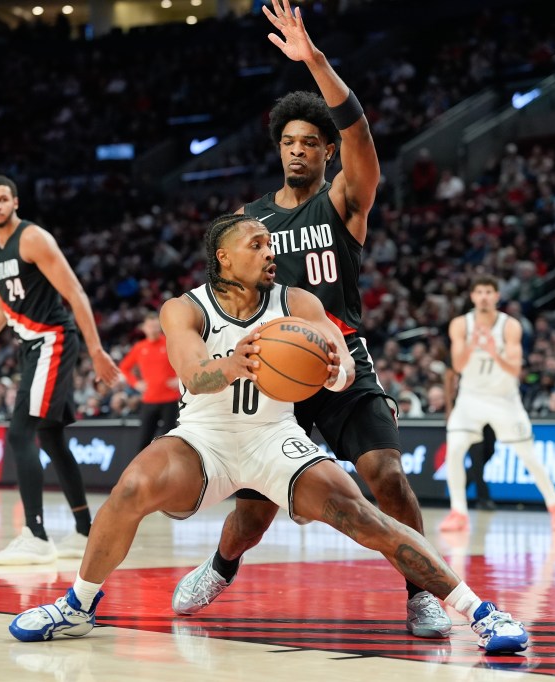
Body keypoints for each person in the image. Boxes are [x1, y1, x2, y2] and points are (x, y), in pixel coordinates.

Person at [8, 214, 529, 655]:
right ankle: (77, 605)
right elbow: (192, 374)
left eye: (271, 243)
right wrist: (235, 362)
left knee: (362, 515)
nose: (269, 250)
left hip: (273, 437)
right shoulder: (183, 308)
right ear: (223, 257)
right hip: (204, 436)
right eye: (256, 243)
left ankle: (479, 612)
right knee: (130, 488)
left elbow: (340, 357)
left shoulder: (297, 302)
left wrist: (335, 372)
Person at [171, 0, 449, 638]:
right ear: (279, 150)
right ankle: (220, 565)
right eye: (288, 142)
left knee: (387, 476)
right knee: (255, 504)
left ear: (327, 151)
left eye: (310, 142)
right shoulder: (250, 222)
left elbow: (362, 137)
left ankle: (420, 591)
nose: (298, 151)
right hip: (273, 365)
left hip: (341, 357)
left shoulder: (345, 199)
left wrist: (314, 60)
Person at [0, 175, 120, 565]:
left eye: (4, 198)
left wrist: (97, 349)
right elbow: (1, 311)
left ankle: (35, 534)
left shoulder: (34, 239)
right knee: (51, 438)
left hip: (52, 341)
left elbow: (75, 293)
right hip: (30, 346)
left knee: (20, 433)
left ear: (15, 202)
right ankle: (85, 530)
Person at [440, 276, 555, 533]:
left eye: (489, 291)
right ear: (473, 296)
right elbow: (457, 367)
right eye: (480, 292)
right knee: (454, 451)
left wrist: (492, 350)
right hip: (470, 398)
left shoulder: (510, 326)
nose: (485, 296)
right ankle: (458, 512)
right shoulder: (460, 325)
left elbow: (514, 368)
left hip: (503, 399)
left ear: (497, 296)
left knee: (528, 456)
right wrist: (473, 346)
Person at [118, 311, 180, 450]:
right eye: (150, 326)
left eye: (156, 326)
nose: (153, 329)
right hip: (149, 400)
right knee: (143, 441)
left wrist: (180, 379)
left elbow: (186, 360)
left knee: (168, 441)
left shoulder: (169, 343)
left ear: (160, 327)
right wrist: (135, 383)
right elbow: (124, 367)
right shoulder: (140, 348)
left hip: (170, 399)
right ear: (144, 328)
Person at [444, 365, 496, 510]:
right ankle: (484, 498)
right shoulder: (463, 359)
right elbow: (449, 377)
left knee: (489, 451)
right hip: (468, 414)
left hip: (488, 414)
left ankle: (462, 485)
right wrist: (449, 409)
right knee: (477, 456)